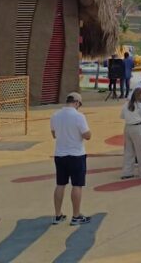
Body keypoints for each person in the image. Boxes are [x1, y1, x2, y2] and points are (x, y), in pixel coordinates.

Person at [50, 92, 92, 226]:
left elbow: (54, 134)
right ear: (77, 103)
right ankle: (76, 216)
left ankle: (57, 215)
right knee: (77, 185)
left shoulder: (55, 115)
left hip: (60, 154)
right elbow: (87, 135)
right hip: (76, 154)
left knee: (60, 184)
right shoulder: (79, 116)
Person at [120, 89, 141, 179]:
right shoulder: (140, 105)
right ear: (140, 96)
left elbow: (122, 116)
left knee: (128, 151)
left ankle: (127, 172)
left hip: (128, 127)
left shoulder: (126, 104)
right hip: (138, 128)